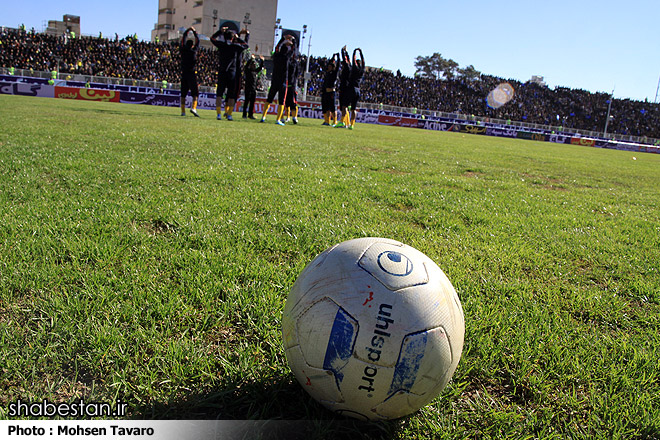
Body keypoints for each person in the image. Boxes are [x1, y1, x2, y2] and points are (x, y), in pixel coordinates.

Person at [211, 27, 249, 121]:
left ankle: (218, 114)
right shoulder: (235, 46)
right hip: (232, 72)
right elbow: (245, 45)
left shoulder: (222, 45)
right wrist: (239, 37)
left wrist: (220, 31)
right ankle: (229, 114)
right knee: (231, 95)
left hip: (222, 71)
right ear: (233, 38)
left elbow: (212, 39)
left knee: (219, 93)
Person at [260, 34, 295, 124]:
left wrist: (283, 39)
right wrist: (292, 41)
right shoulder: (287, 58)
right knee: (282, 101)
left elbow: (276, 47)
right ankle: (278, 119)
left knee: (269, 98)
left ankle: (263, 117)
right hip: (283, 81)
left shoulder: (276, 56)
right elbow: (293, 50)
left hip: (274, 80)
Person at [180, 27, 200, 117]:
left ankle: (183, 111)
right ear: (192, 45)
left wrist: (187, 31)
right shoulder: (194, 51)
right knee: (195, 93)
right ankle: (194, 108)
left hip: (184, 73)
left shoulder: (183, 50)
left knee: (183, 94)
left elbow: (183, 39)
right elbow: (198, 41)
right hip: (192, 73)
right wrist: (194, 32)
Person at [347, 48, 365, 129]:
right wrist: (361, 52)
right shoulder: (362, 70)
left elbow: (353, 60)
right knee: (354, 109)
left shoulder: (355, 68)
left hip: (351, 88)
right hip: (358, 90)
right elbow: (363, 61)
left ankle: (345, 122)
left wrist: (354, 52)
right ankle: (352, 124)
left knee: (345, 105)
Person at [242, 53, 264, 119]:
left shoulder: (255, 72)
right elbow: (246, 66)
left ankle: (250, 115)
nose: (254, 66)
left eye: (254, 65)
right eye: (253, 64)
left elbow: (260, 67)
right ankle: (244, 114)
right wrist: (251, 59)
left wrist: (262, 61)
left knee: (252, 103)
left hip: (253, 89)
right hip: (248, 89)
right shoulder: (248, 71)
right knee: (246, 102)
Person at [335, 46, 352, 128]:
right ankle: (347, 122)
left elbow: (346, 61)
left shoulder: (347, 68)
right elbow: (347, 60)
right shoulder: (350, 68)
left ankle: (342, 122)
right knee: (345, 107)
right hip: (347, 88)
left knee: (343, 107)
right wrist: (347, 53)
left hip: (344, 88)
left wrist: (343, 51)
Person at [321, 53, 340, 126]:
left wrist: (338, 57)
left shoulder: (334, 73)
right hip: (325, 92)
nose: (328, 67)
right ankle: (326, 121)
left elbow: (338, 66)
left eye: (330, 66)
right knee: (326, 107)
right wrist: (333, 57)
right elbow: (328, 63)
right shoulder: (327, 72)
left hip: (332, 92)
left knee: (332, 107)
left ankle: (334, 121)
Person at [284, 44, 301, 124]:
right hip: (286, 85)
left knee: (293, 103)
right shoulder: (286, 62)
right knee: (286, 103)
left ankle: (294, 117)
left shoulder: (295, 64)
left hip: (292, 86)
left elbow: (297, 73)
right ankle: (287, 117)